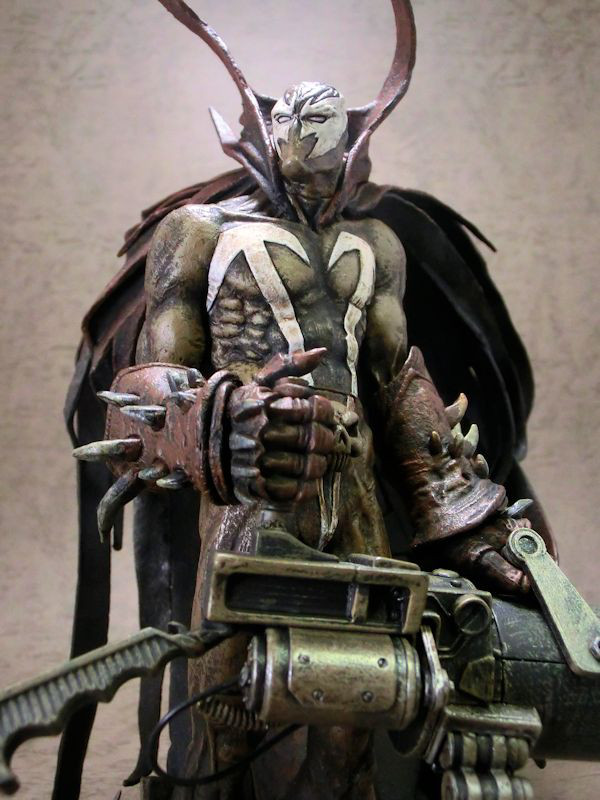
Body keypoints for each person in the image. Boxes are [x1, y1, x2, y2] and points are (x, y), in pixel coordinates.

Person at [57, 2, 555, 798]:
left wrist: (456, 505)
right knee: (224, 701)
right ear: (266, 135)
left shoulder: (378, 246)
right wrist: (213, 425)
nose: (310, 145)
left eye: (328, 130)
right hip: (252, 492)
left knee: (358, 704)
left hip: (354, 493)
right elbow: (142, 391)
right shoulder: (201, 232)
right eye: (296, 124)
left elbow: (394, 382)